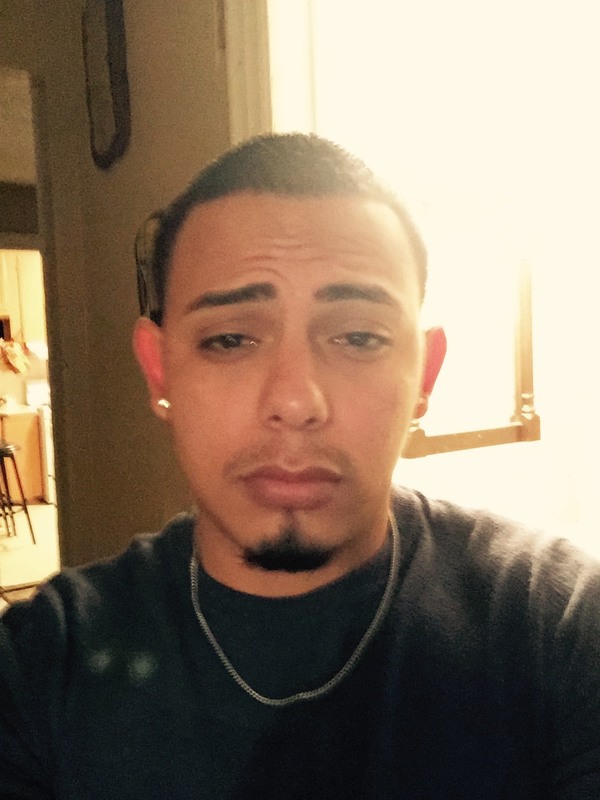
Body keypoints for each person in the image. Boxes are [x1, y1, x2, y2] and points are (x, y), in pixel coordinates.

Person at [1, 133, 599, 799]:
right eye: (230, 339)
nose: (295, 401)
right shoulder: (39, 667)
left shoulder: (559, 628)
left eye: (359, 337)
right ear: (160, 369)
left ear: (424, 375)